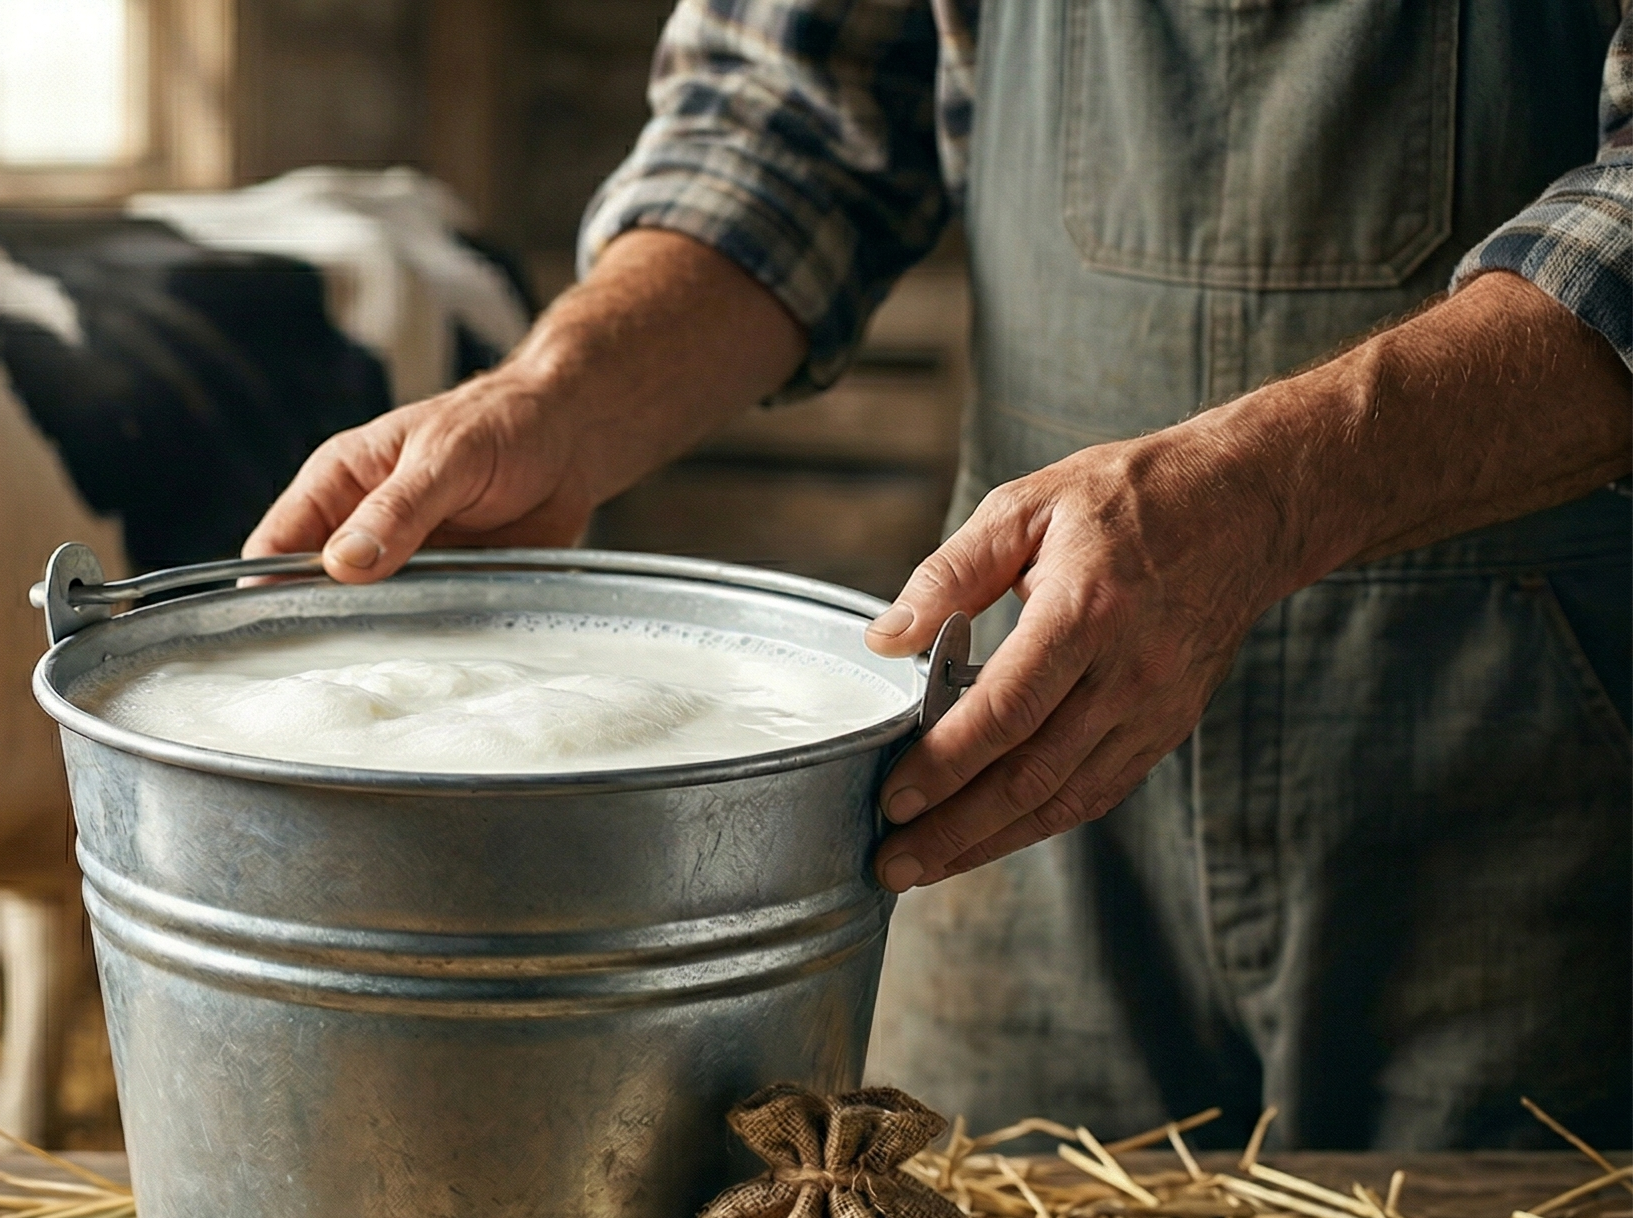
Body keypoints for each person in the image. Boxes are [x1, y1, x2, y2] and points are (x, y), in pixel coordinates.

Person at [244, 2, 1633, 1150]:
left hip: (1537, 765)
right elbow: (788, 121)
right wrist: (560, 397)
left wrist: (1267, 493)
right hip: (1008, 756)